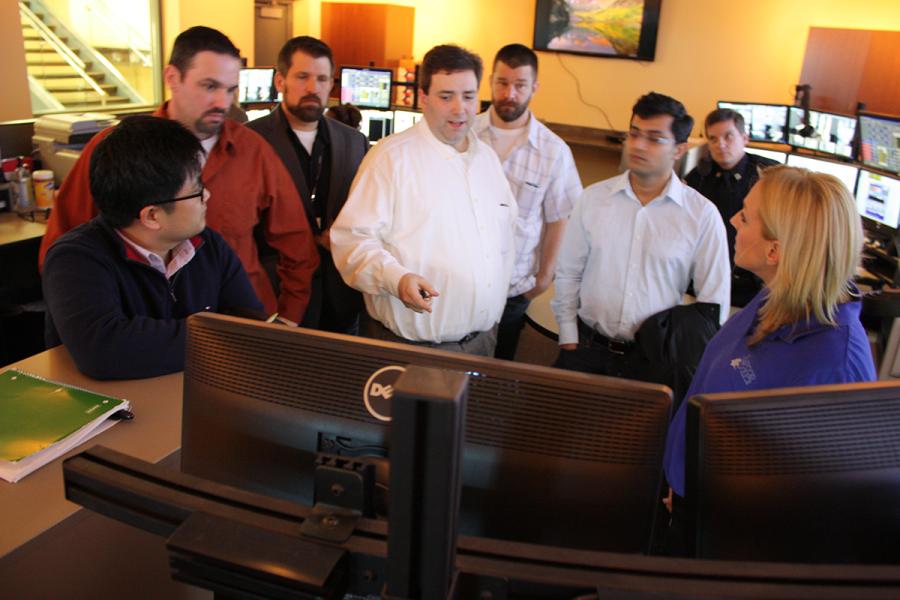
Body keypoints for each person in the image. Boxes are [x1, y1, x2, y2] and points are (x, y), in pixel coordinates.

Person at [38, 26, 318, 325]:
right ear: (172, 78)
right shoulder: (116, 149)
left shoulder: (254, 151)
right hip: (142, 332)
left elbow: (297, 244)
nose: (223, 103)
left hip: (239, 323)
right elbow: (63, 247)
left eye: (230, 89)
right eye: (209, 86)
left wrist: (287, 319)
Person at [661, 166, 877, 544]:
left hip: (730, 535)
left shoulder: (837, 366)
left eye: (744, 217)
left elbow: (824, 504)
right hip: (689, 498)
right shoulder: (776, 296)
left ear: (775, 251)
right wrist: (680, 477)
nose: (732, 220)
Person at [42, 116, 263, 380]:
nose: (207, 196)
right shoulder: (75, 259)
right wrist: (222, 336)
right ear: (151, 216)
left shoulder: (208, 245)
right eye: (197, 189)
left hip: (192, 397)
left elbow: (252, 329)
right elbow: (104, 351)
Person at [330, 44, 516, 356]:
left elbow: (504, 238)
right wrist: (397, 279)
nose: (460, 108)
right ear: (423, 97)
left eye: (468, 96)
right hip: (411, 349)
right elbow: (351, 242)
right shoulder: (390, 158)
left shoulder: (488, 160)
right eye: (446, 97)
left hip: (483, 343)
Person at [552, 92, 730, 377]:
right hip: (586, 347)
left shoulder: (701, 215)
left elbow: (713, 304)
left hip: (654, 358)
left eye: (654, 138)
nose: (638, 145)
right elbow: (568, 273)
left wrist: (684, 356)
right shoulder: (594, 199)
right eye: (634, 134)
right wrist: (568, 337)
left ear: (679, 150)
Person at [248, 36, 368, 333]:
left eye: (322, 79)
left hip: (340, 298)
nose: (313, 88)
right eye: (302, 77)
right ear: (280, 81)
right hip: (276, 296)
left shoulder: (354, 142)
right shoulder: (249, 141)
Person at [473, 43, 582, 360]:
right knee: (455, 363)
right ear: (491, 81)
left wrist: (544, 276)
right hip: (463, 278)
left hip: (515, 284)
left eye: (519, 85)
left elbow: (559, 216)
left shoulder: (553, 150)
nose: (509, 93)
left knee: (499, 364)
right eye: (502, 83)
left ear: (534, 87)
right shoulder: (466, 134)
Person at [685, 108, 779, 306]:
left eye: (728, 137)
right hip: (704, 283)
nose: (720, 145)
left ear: (744, 138)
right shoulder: (698, 178)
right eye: (713, 139)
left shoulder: (770, 176)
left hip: (752, 288)